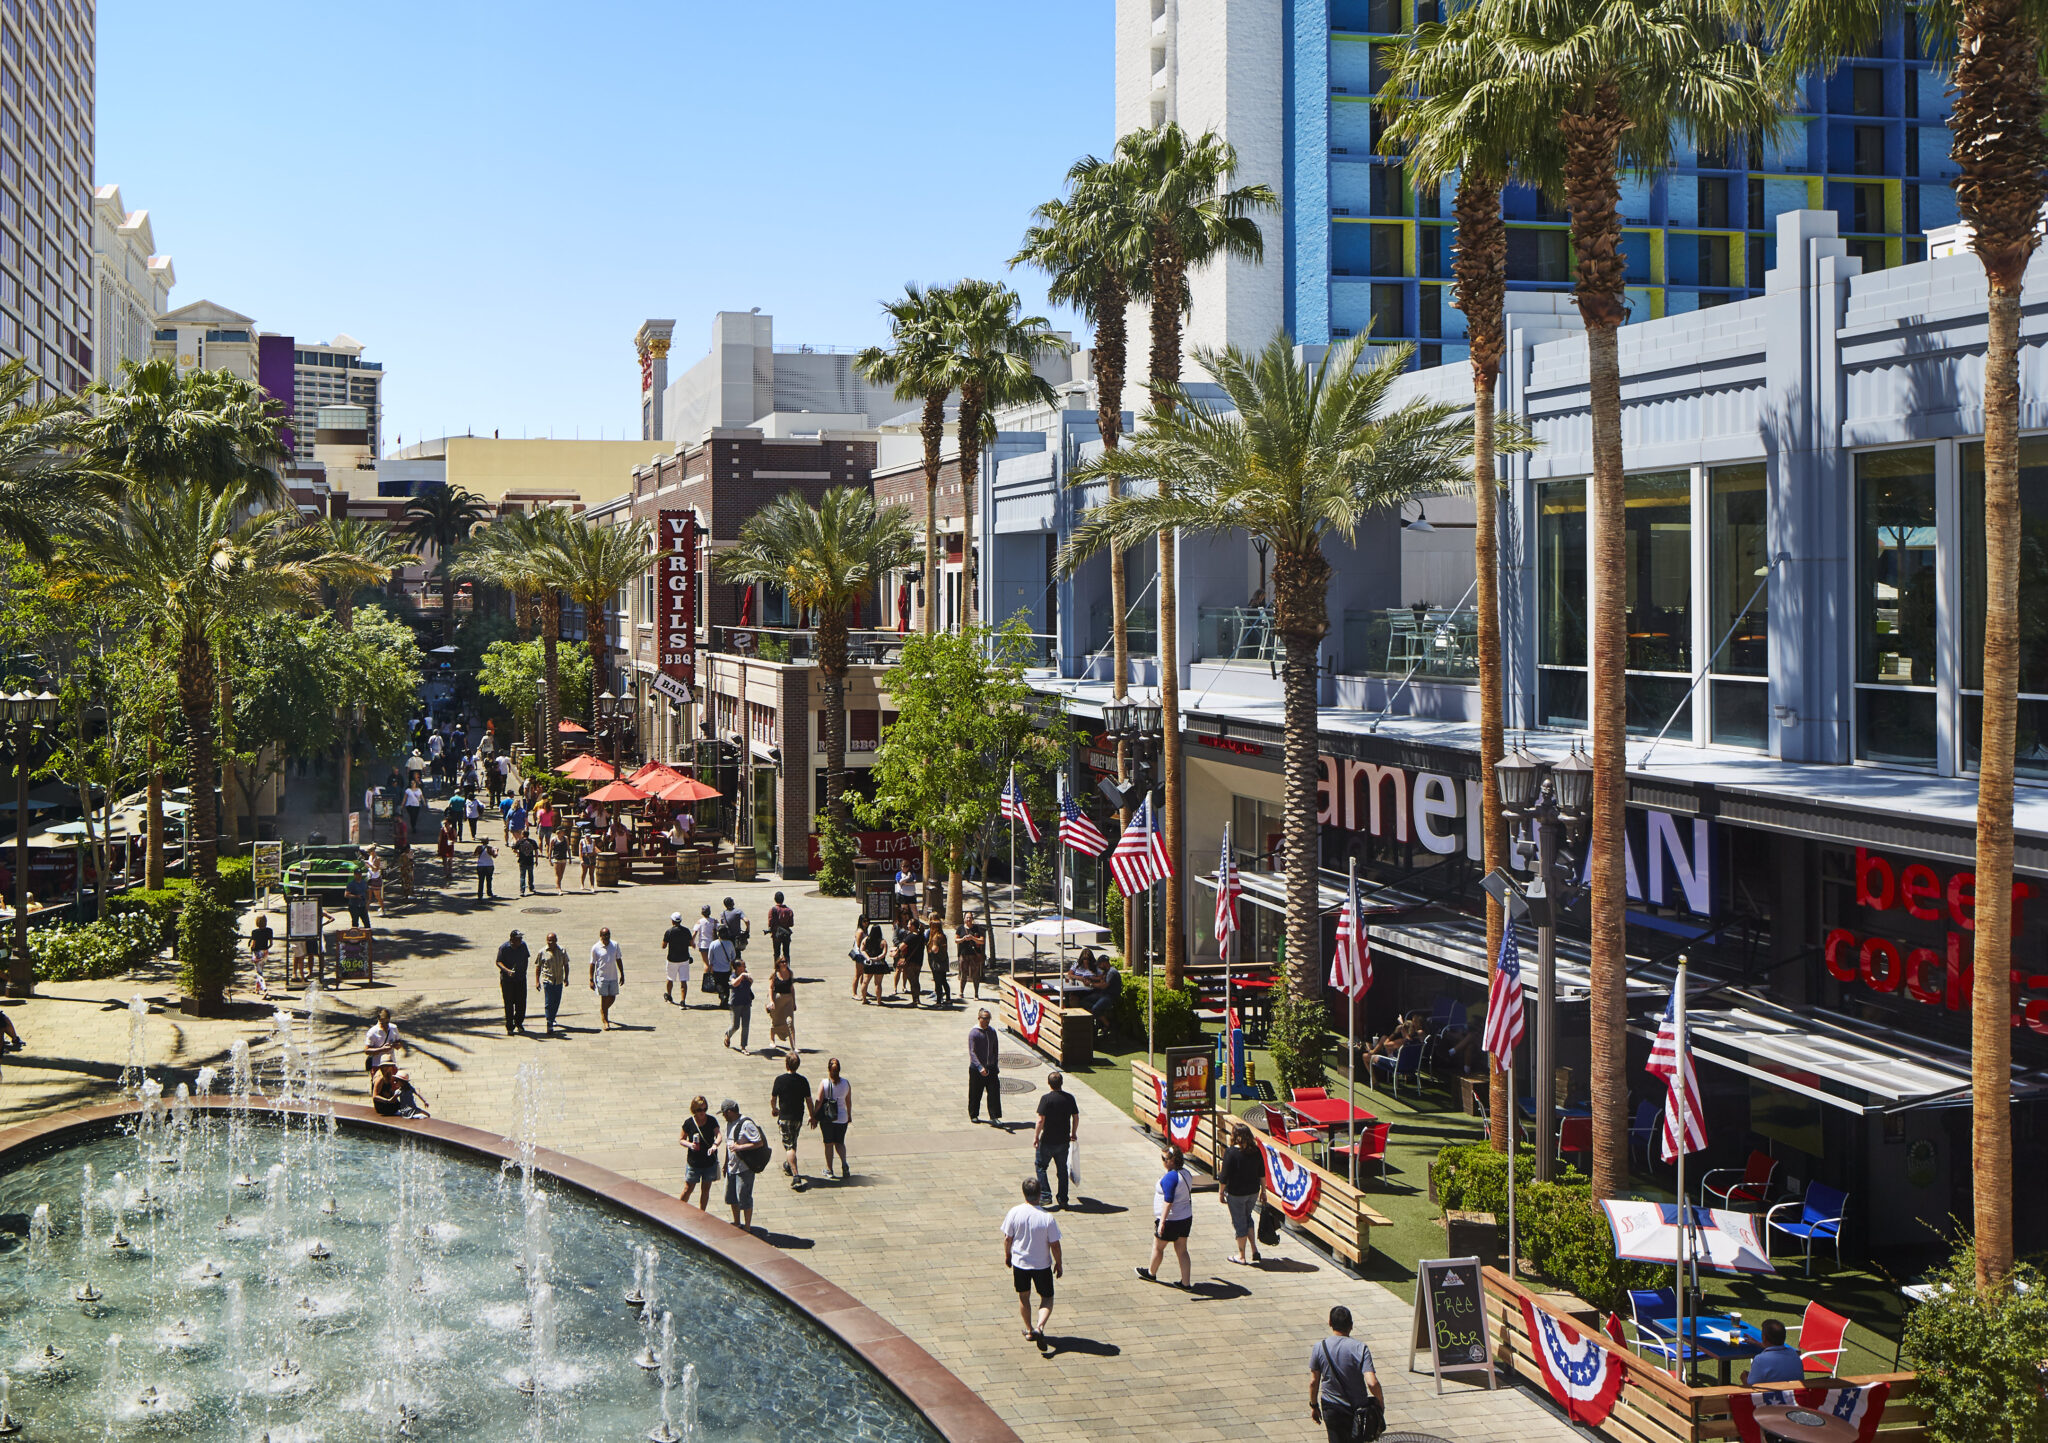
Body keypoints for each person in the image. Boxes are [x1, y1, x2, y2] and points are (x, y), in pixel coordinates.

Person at [1309, 1305, 1383, 1443]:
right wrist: (1380, 1402)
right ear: (1351, 1325)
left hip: (1331, 1407)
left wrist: (1313, 1405)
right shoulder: (1361, 1348)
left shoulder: (1319, 1347)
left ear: (1330, 1323)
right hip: (1357, 1409)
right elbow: (1372, 1382)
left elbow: (1314, 1382)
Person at [1001, 1177, 1062, 1343]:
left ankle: (1029, 1330)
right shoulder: (1047, 1218)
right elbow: (1055, 1244)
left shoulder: (1014, 1212)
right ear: (1039, 1194)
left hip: (1021, 1263)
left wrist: (1008, 1255)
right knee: (1047, 1297)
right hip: (1041, 1265)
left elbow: (1008, 1238)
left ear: (1024, 1193)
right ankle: (1040, 1327)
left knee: (1024, 1297)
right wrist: (1059, 1263)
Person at [1135, 1145, 1194, 1287]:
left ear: (1171, 1161)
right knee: (1182, 1250)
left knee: (1158, 1247)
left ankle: (1151, 1273)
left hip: (1171, 1220)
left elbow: (1168, 1201)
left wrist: (1161, 1222)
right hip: (1185, 1218)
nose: (1162, 1161)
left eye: (1163, 1158)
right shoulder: (1186, 1174)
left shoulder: (1171, 1178)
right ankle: (1186, 1283)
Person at [1219, 1122, 1265, 1265]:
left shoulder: (1231, 1152)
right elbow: (1261, 1173)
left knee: (1239, 1223)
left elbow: (1224, 1176)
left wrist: (1221, 1192)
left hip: (1236, 1194)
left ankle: (1242, 1256)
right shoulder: (1256, 1151)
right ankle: (1254, 1249)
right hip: (1252, 1192)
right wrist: (1264, 1191)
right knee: (1247, 1217)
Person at [1033, 1071, 1079, 1210]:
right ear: (1061, 1083)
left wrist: (1036, 1136)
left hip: (1047, 1141)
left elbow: (1040, 1120)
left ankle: (1046, 1195)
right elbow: (1075, 1117)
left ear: (1049, 1084)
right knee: (1062, 1170)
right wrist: (1073, 1133)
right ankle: (1063, 1199)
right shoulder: (1069, 1098)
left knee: (1041, 1166)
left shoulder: (1046, 1099)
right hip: (1063, 1140)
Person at [721, 1099, 766, 1230]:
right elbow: (728, 1145)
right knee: (731, 1197)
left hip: (744, 1168)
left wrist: (740, 1147)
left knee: (744, 1198)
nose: (723, 1116)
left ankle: (747, 1227)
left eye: (724, 1113)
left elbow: (759, 1142)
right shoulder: (729, 1124)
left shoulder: (746, 1124)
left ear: (730, 1112)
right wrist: (725, 1164)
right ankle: (737, 1222)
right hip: (731, 1167)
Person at [769, 1051, 813, 1189]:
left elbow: (773, 1098)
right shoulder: (803, 1080)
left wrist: (774, 1109)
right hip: (798, 1117)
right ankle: (789, 1164)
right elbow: (809, 1101)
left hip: (785, 1117)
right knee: (793, 1141)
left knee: (789, 1146)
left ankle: (796, 1176)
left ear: (786, 1064)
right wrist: (812, 1115)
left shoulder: (780, 1080)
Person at [679, 1096, 720, 1209]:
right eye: (699, 1110)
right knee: (688, 1188)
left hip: (709, 1162)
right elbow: (681, 1139)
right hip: (694, 1163)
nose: (702, 1112)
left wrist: (715, 1145)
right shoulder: (689, 1123)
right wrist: (690, 1144)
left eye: (704, 1109)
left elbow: (719, 1135)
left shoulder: (711, 1120)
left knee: (705, 1190)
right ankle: (678, 1209)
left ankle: (702, 1212)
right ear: (694, 1110)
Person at [814, 1058, 851, 1180]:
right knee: (840, 1143)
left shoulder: (825, 1083)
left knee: (828, 1144)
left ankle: (829, 1170)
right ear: (839, 1070)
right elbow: (848, 1101)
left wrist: (814, 1115)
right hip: (842, 1118)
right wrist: (849, 1115)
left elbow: (819, 1101)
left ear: (829, 1070)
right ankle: (844, 1164)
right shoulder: (846, 1083)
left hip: (828, 1119)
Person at [1743, 1319, 1807, 1385]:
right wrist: (1757, 1343)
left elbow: (1751, 1387)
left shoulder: (1760, 1360)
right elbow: (1775, 1349)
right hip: (1794, 1393)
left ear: (1764, 1338)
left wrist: (1744, 1378)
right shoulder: (1794, 1354)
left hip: (1773, 1395)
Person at [968, 1009, 1003, 1124]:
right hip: (977, 1069)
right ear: (979, 1018)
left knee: (994, 1093)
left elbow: (995, 1049)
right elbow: (972, 1052)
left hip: (991, 1067)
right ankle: (974, 1114)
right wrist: (979, 1067)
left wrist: (995, 1064)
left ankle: (994, 1116)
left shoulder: (992, 1031)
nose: (987, 1021)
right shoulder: (974, 1033)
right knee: (975, 1092)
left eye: (988, 1018)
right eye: (984, 1018)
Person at [496, 929, 531, 1035]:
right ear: (512, 939)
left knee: (521, 1003)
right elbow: (498, 962)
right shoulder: (504, 948)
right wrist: (507, 971)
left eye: (520, 938)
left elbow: (526, 958)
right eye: (518, 939)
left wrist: (523, 971)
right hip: (508, 981)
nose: (520, 940)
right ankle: (510, 1026)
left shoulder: (523, 946)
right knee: (509, 1004)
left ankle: (519, 1023)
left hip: (520, 979)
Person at [535, 931, 570, 1035]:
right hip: (548, 980)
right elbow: (538, 967)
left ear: (556, 941)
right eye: (549, 940)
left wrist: (566, 978)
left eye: (552, 940)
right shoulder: (542, 952)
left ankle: (552, 1017)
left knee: (556, 1001)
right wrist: (537, 981)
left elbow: (566, 965)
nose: (550, 942)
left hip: (558, 980)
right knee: (549, 1002)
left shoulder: (562, 951)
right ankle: (549, 1022)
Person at [589, 926, 624, 1030]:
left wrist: (622, 973)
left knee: (612, 997)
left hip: (613, 976)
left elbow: (618, 959)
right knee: (604, 998)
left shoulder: (615, 945)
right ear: (600, 936)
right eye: (604, 935)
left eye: (608, 935)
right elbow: (592, 964)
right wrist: (591, 979)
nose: (607, 937)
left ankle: (603, 1011)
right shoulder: (596, 947)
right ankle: (605, 1020)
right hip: (602, 977)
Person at [767, 956, 798, 1055]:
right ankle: (772, 1040)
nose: (784, 964)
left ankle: (793, 1046)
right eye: (782, 962)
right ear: (778, 964)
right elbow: (771, 988)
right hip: (777, 1000)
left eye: (785, 962)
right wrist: (771, 1001)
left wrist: (794, 1001)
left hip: (788, 1000)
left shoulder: (790, 973)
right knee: (776, 1021)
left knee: (790, 1022)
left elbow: (792, 988)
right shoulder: (775, 975)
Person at [662, 911, 693, 1006]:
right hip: (684, 959)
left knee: (670, 978)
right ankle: (683, 1001)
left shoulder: (669, 932)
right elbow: (691, 943)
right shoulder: (686, 931)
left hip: (672, 959)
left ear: (672, 921)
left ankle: (669, 996)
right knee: (683, 981)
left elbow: (663, 945)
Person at [894, 912, 925, 1006]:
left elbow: (902, 946)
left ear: (913, 926)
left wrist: (896, 951)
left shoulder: (911, 936)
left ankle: (915, 1000)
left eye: (909, 924)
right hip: (919, 961)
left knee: (912, 981)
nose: (907, 925)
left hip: (910, 962)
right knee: (916, 979)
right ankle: (917, 999)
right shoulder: (921, 936)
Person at [724, 958, 755, 1052]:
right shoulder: (733, 976)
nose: (745, 967)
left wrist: (749, 978)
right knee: (735, 1025)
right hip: (735, 1004)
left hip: (746, 1003)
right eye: (743, 965)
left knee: (746, 1026)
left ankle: (743, 1046)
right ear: (737, 968)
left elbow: (751, 982)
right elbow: (734, 984)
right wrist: (742, 976)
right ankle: (728, 1035)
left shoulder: (746, 974)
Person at [858, 921, 889, 1005]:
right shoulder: (883, 942)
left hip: (869, 963)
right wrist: (877, 958)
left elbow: (861, 950)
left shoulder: (866, 939)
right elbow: (884, 953)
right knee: (878, 983)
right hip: (879, 964)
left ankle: (864, 999)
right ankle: (879, 1001)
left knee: (865, 982)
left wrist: (868, 958)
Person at [956, 920, 986, 1000]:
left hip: (974, 955)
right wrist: (963, 939)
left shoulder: (977, 928)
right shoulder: (960, 928)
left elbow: (982, 941)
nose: (968, 919)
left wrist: (972, 938)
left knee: (975, 975)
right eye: (967, 917)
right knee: (963, 974)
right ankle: (961, 992)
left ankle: (976, 994)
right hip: (963, 954)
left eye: (970, 917)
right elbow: (956, 940)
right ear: (964, 919)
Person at [926, 916, 952, 1008]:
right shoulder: (943, 936)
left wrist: (930, 951)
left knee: (938, 982)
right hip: (944, 961)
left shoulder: (936, 937)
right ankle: (948, 998)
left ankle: (938, 1001)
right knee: (944, 980)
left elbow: (935, 949)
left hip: (937, 963)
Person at [767, 891, 795, 966]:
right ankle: (787, 969)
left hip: (776, 934)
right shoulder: (789, 910)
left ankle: (777, 970)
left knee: (776, 953)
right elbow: (791, 924)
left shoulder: (772, 910)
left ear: (775, 899)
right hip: (786, 934)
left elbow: (770, 923)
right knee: (786, 953)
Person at [249, 914, 275, 982]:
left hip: (257, 952)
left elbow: (253, 945)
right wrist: (266, 948)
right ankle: (257, 989)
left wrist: (251, 951)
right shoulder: (269, 930)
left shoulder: (255, 932)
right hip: (265, 952)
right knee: (260, 970)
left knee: (259, 972)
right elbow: (271, 944)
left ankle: (264, 989)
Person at [514, 832, 540, 897]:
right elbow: (536, 851)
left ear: (522, 835)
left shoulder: (520, 842)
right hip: (530, 861)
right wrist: (536, 860)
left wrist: (518, 853)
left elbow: (514, 849)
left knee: (522, 876)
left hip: (522, 861)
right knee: (530, 875)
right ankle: (531, 887)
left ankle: (522, 890)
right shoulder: (532, 842)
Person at [365, 848, 386, 915]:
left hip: (376, 878)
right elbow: (369, 867)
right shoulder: (370, 857)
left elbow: (375, 869)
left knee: (377, 896)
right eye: (371, 851)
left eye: (373, 851)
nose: (373, 852)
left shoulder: (377, 859)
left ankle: (383, 910)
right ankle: (365, 912)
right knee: (369, 896)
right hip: (370, 878)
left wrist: (369, 864)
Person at [548, 828, 570, 893]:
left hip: (563, 857)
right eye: (562, 831)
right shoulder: (554, 839)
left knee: (561, 874)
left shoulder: (566, 838)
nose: (563, 832)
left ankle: (558, 885)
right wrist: (550, 859)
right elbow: (550, 849)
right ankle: (559, 888)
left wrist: (569, 857)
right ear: (559, 832)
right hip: (556, 858)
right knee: (558, 874)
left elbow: (568, 848)